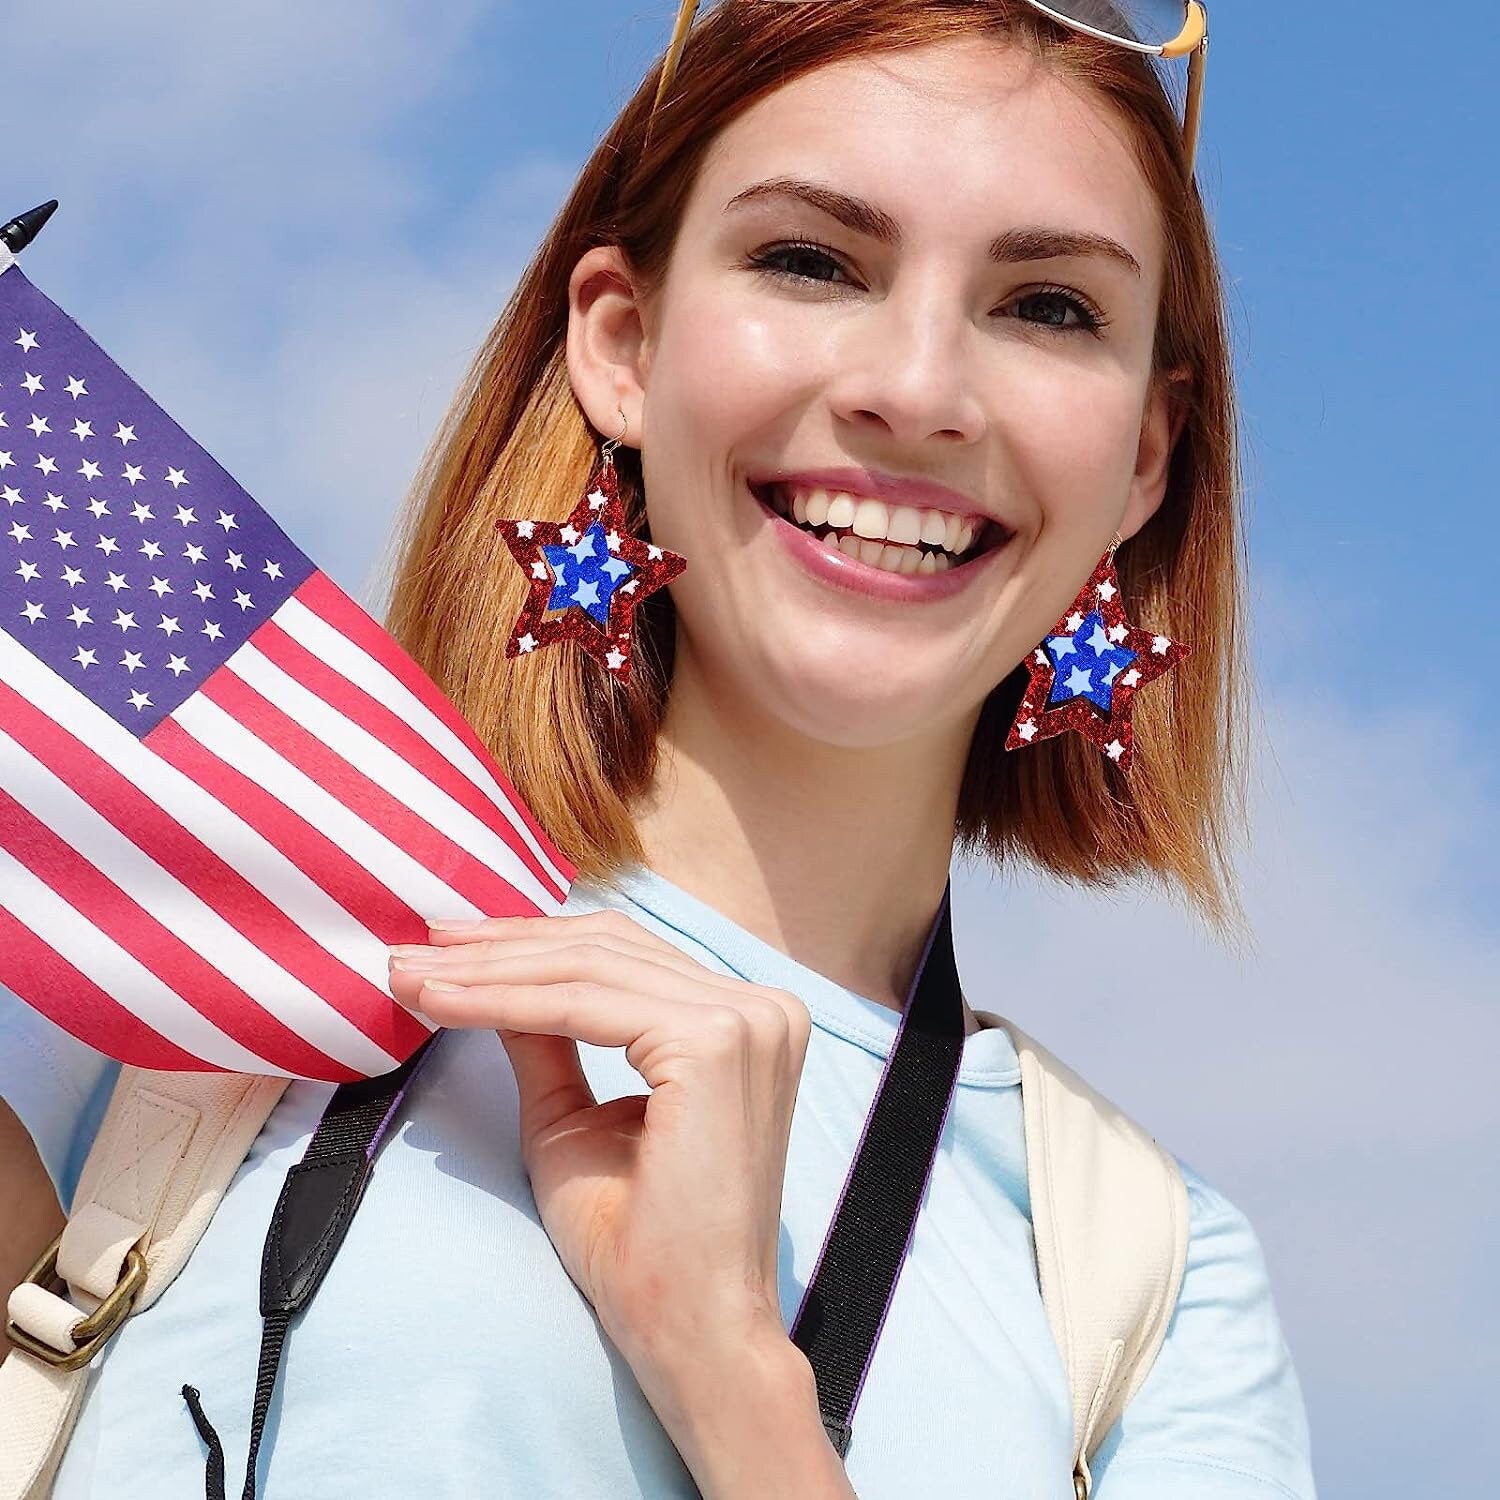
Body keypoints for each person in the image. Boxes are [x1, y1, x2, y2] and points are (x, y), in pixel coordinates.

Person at [1, 2, 1318, 1495]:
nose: (920, 391)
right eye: (813, 262)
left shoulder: (1152, 1276)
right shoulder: (211, 901)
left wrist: (734, 1376)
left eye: (1050, 307)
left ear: (1146, 456)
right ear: (619, 341)